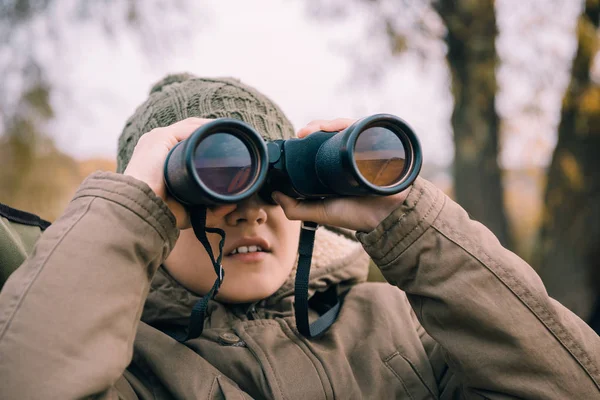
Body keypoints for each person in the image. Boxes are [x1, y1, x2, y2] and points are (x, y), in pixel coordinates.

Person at [0, 74, 599, 399]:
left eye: (271, 183)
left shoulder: (398, 327)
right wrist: (130, 204)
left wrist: (412, 225)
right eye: (211, 189)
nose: (248, 213)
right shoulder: (123, 361)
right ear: (159, 213)